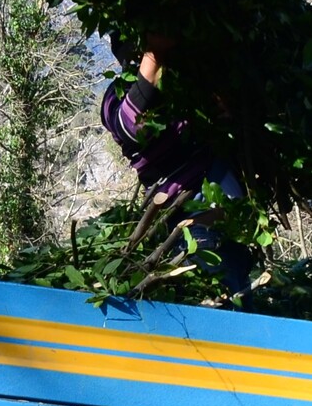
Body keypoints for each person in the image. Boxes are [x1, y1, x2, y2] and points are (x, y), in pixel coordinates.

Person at [99, 40, 258, 293]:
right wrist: (154, 55)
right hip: (195, 230)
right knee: (216, 303)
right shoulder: (116, 94)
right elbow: (130, 128)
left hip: (234, 235)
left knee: (238, 313)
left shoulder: (190, 87)